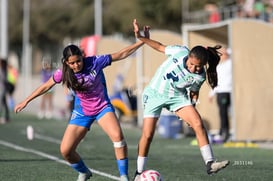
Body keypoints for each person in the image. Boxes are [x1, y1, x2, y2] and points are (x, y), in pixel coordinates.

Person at [14, 24, 149, 181]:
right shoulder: (63, 72)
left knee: (118, 137)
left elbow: (121, 54)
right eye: (72, 63)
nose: (76, 65)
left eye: (78, 61)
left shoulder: (95, 62)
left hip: (102, 108)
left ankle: (124, 176)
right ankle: (84, 172)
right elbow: (45, 86)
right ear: (66, 63)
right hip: (82, 112)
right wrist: (26, 101)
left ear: (82, 58)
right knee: (65, 150)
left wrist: (142, 41)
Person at [132, 19, 229, 180]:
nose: (194, 69)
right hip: (154, 94)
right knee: (148, 135)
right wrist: (141, 37)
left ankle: (210, 163)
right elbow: (159, 46)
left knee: (198, 123)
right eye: (192, 64)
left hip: (177, 98)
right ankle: (138, 173)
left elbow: (194, 92)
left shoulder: (200, 76)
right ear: (189, 56)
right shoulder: (179, 51)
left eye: (199, 67)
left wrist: (191, 107)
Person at [209, 47, 232, 143]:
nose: (221, 56)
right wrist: (211, 93)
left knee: (224, 113)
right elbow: (216, 82)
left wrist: (227, 51)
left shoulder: (230, 64)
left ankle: (225, 133)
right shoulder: (219, 66)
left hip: (227, 92)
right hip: (219, 92)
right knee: (222, 113)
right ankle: (222, 131)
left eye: (223, 54)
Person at [0, 58, 10, 123]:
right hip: (2, 88)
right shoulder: (3, 70)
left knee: (1, 102)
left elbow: (4, 79)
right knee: (4, 102)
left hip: (2, 88)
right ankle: (7, 117)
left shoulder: (3, 70)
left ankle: (5, 117)